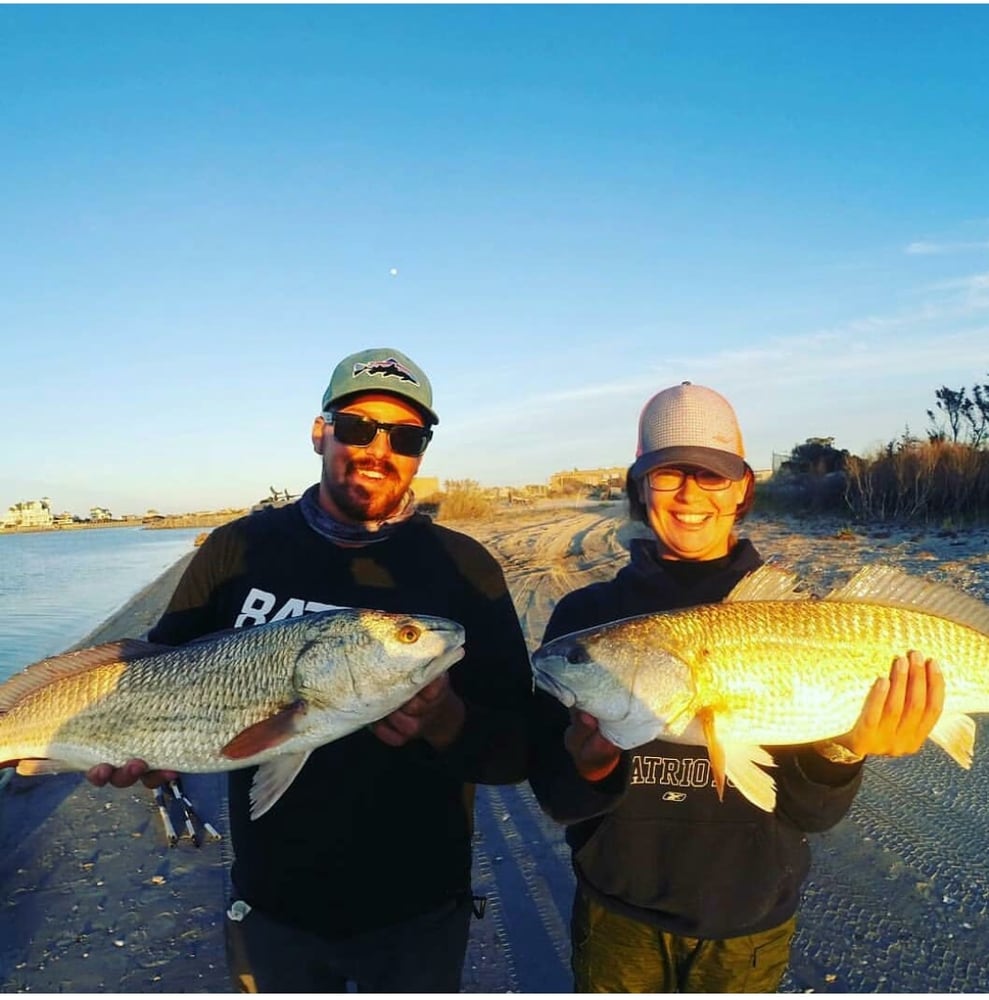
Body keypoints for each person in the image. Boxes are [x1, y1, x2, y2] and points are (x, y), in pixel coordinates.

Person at [88, 347, 534, 993]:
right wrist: (149, 754)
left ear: (421, 451)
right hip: (272, 908)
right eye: (357, 427)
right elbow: (157, 673)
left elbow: (516, 753)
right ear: (320, 432)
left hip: (420, 911)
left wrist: (445, 720)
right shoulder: (238, 547)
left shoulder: (464, 567)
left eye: (406, 436)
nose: (379, 449)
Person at [527, 380, 945, 993]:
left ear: (743, 489)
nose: (690, 493)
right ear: (638, 486)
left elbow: (810, 813)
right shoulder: (584, 620)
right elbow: (558, 800)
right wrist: (588, 769)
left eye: (712, 475)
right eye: (668, 473)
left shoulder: (792, 607)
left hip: (751, 923)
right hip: (617, 914)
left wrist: (846, 748)